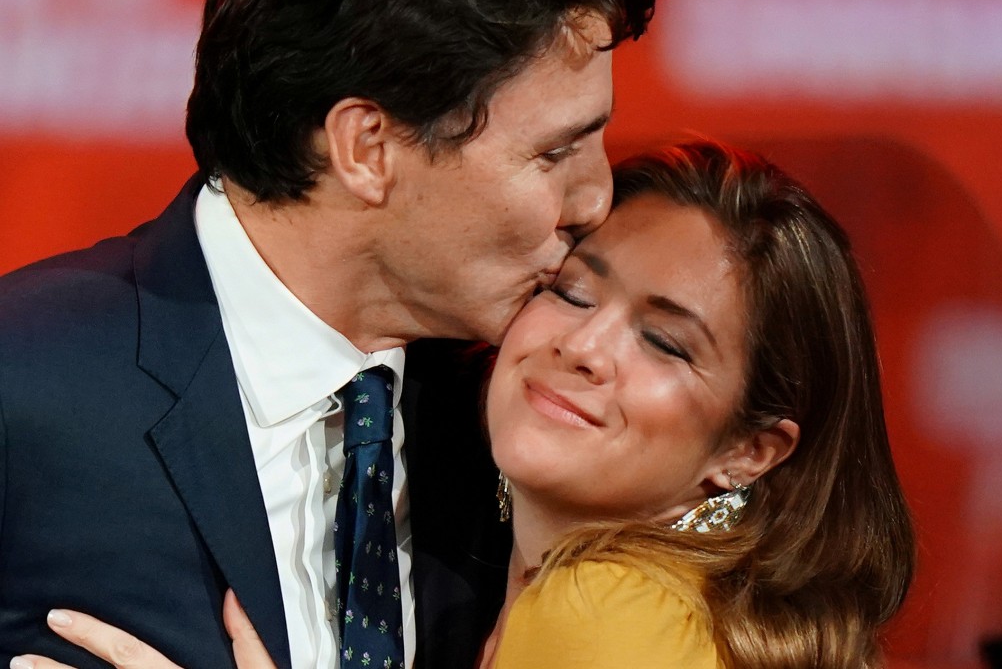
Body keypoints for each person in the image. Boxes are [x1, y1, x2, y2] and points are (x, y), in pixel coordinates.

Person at [14, 140, 915, 669]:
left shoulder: (608, 619)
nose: (582, 348)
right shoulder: (559, 582)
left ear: (752, 450)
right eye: (570, 291)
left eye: (666, 343)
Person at [0, 0, 658, 669]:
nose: (595, 199)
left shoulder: (531, 424)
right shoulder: (23, 384)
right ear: (367, 148)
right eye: (555, 153)